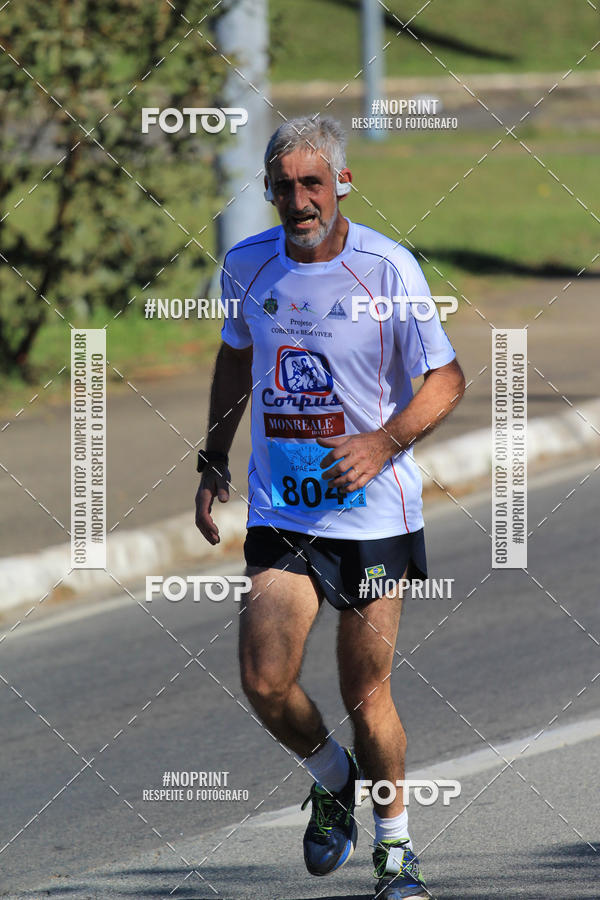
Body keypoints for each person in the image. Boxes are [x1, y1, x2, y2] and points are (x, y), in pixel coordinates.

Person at [195, 116, 465, 899]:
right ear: (269, 191)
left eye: (313, 183)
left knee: (364, 692)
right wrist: (213, 458)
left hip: (373, 515)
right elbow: (236, 355)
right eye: (284, 187)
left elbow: (446, 380)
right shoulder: (247, 264)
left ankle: (396, 851)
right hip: (284, 510)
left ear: (341, 182)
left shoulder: (386, 269)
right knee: (265, 680)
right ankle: (332, 777)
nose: (299, 200)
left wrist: (383, 443)